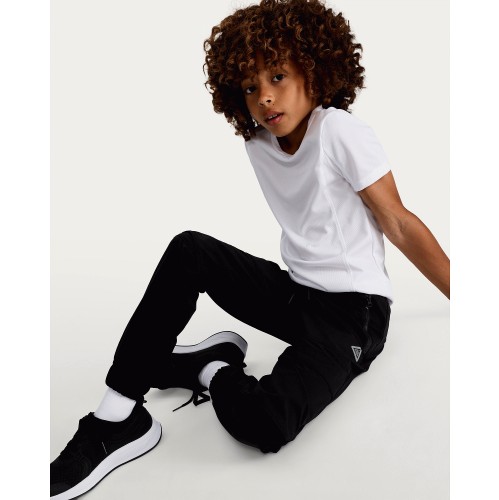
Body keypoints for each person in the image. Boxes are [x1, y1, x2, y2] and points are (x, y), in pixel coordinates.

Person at [50, 0, 450, 498]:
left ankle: (210, 366)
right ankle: (116, 417)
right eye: (249, 87)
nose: (264, 97)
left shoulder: (339, 131)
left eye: (278, 76)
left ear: (315, 69)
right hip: (298, 295)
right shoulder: (259, 143)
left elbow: (400, 223)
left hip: (354, 316)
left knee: (265, 425)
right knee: (190, 250)